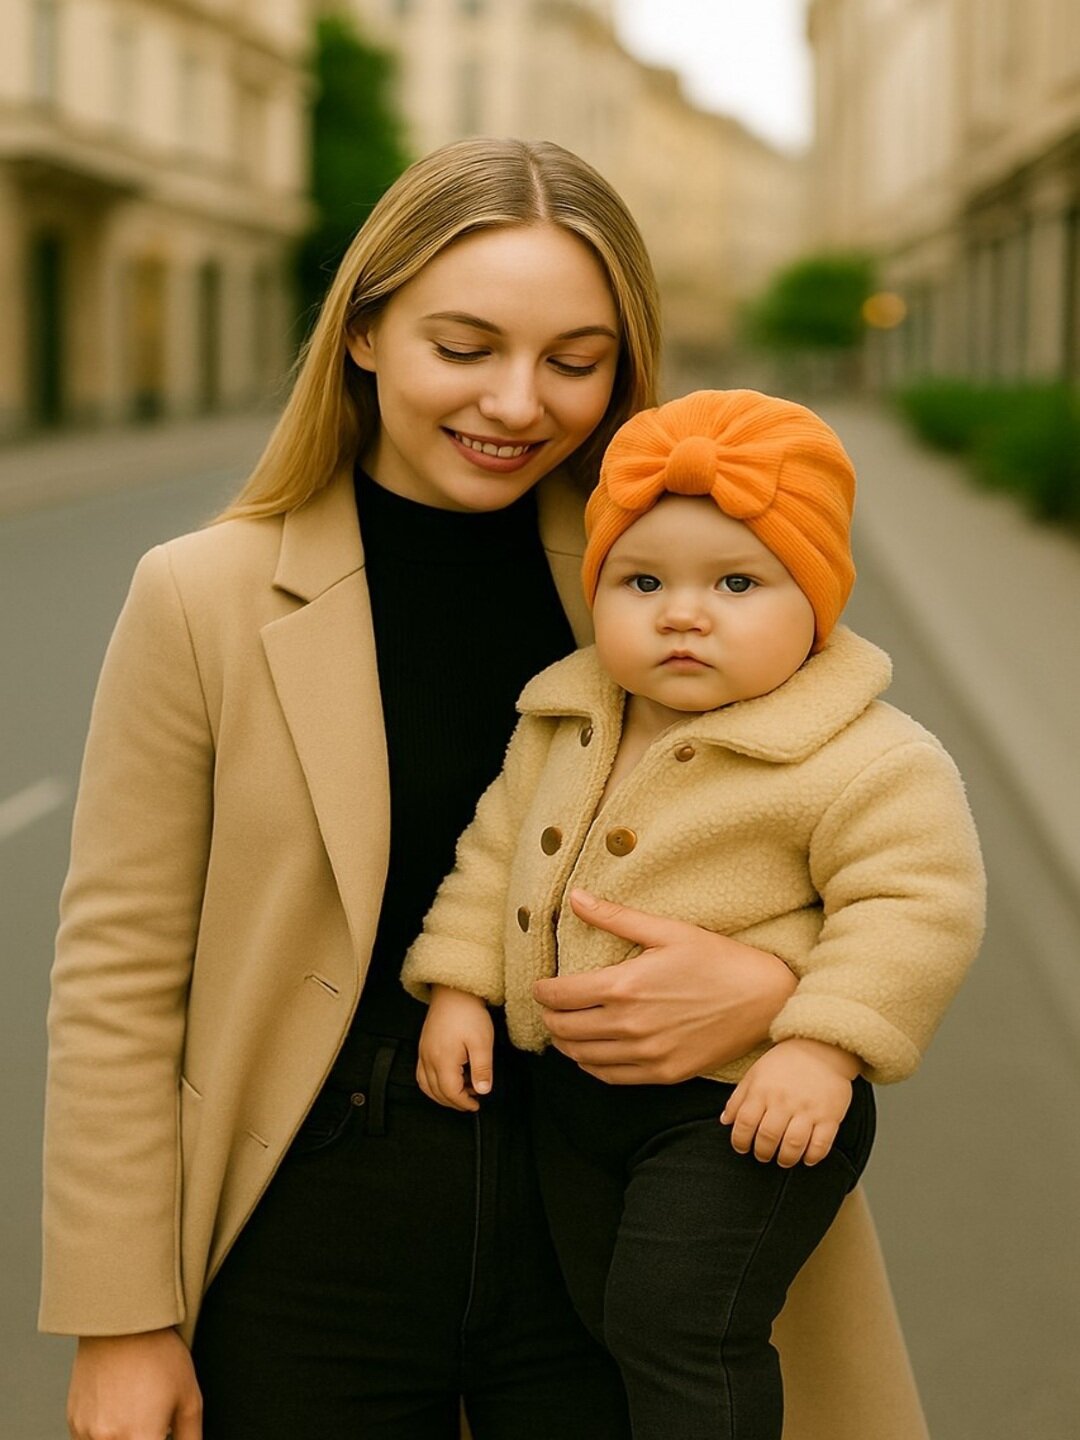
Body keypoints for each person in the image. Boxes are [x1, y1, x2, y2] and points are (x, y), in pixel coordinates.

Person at [40, 138, 928, 1440]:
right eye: (465, 348)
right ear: (364, 333)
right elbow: (118, 973)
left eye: (576, 362)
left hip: (619, 1226)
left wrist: (784, 995)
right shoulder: (202, 596)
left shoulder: (665, 573)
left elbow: (878, 837)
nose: (518, 403)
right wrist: (123, 1318)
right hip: (309, 1236)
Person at [401, 389, 986, 1440]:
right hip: (574, 1097)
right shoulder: (566, 713)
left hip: (742, 1108)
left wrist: (820, 1048)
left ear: (816, 604)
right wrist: (457, 986)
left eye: (736, 582)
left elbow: (913, 906)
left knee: (680, 1321)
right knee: (598, 1322)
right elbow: (495, 852)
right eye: (642, 581)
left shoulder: (864, 755)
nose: (682, 611)